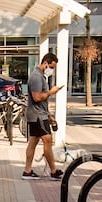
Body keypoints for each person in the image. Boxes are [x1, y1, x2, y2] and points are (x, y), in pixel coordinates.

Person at [23, 52, 65, 180]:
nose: (52, 70)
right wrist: (52, 92)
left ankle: (27, 171)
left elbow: (41, 101)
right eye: (51, 67)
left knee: (33, 142)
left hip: (39, 114)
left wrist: (49, 115)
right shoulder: (37, 77)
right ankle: (53, 171)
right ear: (45, 63)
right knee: (47, 140)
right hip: (37, 116)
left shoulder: (40, 76)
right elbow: (37, 97)